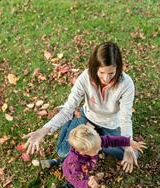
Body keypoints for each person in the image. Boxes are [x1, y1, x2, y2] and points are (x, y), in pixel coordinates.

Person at [23, 42, 138, 173]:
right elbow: (69, 108)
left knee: (133, 153)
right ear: (95, 67)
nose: (106, 78)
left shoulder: (126, 84)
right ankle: (83, 129)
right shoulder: (85, 78)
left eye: (111, 73)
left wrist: (128, 147)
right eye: (101, 73)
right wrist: (42, 131)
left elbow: (125, 117)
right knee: (62, 151)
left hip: (111, 124)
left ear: (118, 68)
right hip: (87, 117)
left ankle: (96, 139)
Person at [43, 124, 146, 188]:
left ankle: (55, 163)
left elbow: (112, 140)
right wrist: (87, 184)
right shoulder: (77, 164)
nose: (101, 148)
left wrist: (129, 142)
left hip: (67, 163)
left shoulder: (94, 142)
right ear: (83, 152)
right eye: (97, 150)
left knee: (64, 163)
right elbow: (78, 182)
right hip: (71, 174)